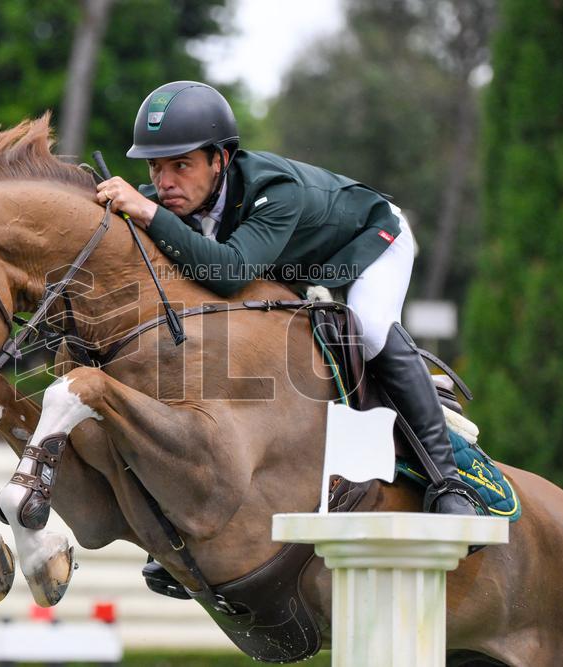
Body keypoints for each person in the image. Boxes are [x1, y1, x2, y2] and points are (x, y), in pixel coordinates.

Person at [95, 80, 479, 518]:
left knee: (368, 327)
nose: (164, 184)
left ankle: (448, 482)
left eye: (181, 165)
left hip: (371, 240)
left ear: (219, 159)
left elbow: (227, 274)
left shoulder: (275, 192)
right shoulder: (180, 201)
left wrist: (147, 212)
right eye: (155, 168)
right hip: (296, 266)